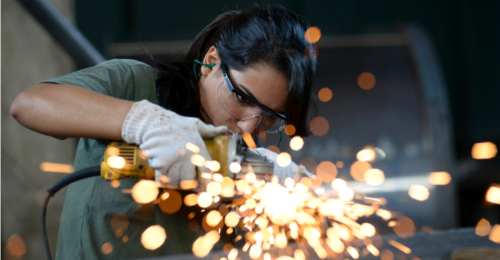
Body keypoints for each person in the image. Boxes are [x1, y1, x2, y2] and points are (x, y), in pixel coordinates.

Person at [10, 5, 316, 260]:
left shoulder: (247, 162)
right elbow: (30, 104)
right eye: (242, 98)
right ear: (211, 63)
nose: (250, 127)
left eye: (268, 117)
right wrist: (145, 122)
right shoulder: (132, 84)